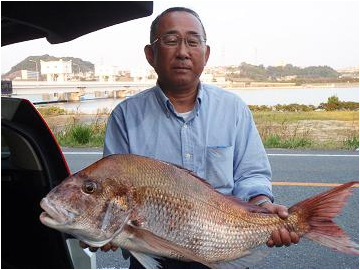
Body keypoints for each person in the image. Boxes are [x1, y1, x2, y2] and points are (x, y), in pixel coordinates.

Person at [81, 7, 300, 268]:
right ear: (151, 54)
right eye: (171, 41)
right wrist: (99, 228)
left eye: (193, 42)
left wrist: (263, 206)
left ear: (205, 54)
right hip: (150, 256)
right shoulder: (125, 116)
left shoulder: (233, 109)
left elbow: (250, 175)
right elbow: (110, 189)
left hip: (221, 251)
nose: (183, 52)